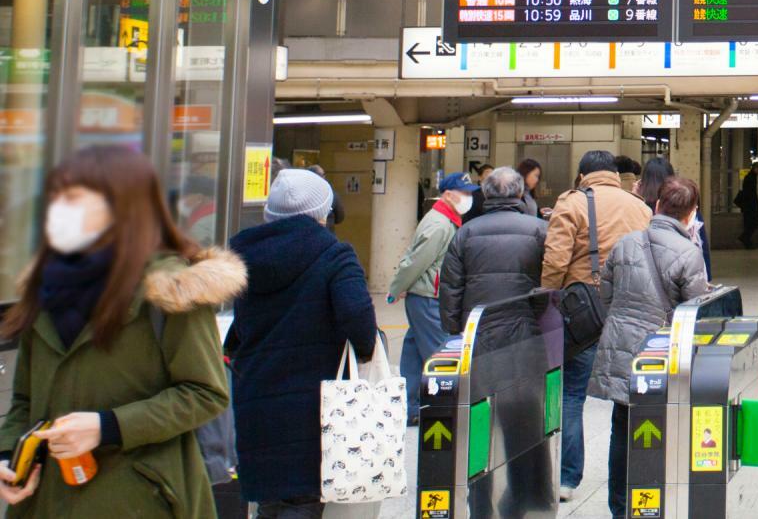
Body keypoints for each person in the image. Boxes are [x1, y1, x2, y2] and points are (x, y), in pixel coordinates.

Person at [0, 146, 244, 519]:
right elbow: (24, 397)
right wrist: (9, 457)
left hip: (140, 498)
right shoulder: (46, 285)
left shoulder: (170, 287)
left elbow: (205, 393)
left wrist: (108, 427)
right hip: (46, 501)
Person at [226, 169, 378, 519]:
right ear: (322, 213)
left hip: (257, 403)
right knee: (304, 502)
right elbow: (360, 325)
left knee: (270, 502)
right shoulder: (335, 256)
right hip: (314, 409)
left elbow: (239, 332)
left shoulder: (242, 259)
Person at [590, 178, 710, 519]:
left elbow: (607, 296)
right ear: (691, 215)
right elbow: (695, 312)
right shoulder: (689, 253)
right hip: (663, 355)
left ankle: (620, 506)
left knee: (622, 429)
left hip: (624, 350)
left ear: (657, 206)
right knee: (664, 427)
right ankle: (657, 500)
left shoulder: (625, 244)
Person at [542, 149, 652, 502]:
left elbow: (556, 259)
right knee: (627, 400)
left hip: (582, 313)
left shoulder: (571, 202)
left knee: (572, 395)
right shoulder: (639, 206)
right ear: (614, 174)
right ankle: (632, 481)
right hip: (628, 310)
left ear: (582, 176)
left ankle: (568, 479)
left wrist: (547, 299)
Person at [388, 171, 474, 423]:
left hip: (425, 295)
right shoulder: (439, 224)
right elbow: (416, 262)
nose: (469, 198)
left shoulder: (445, 220)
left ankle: (410, 408)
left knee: (414, 352)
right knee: (439, 354)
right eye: (465, 193)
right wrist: (395, 289)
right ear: (448, 194)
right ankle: (449, 411)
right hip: (427, 297)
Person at [440, 165, 547, 339]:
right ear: (519, 193)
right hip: (527, 324)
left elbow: (451, 284)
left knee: (482, 367)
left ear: (486, 193)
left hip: (478, 326)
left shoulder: (466, 231)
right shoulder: (541, 230)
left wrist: (453, 326)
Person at [734, 164, 758, 250]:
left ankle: (747, 241)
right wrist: (755, 206)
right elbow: (751, 194)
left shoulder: (751, 177)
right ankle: (744, 238)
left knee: (750, 224)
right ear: (755, 168)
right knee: (755, 222)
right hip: (749, 206)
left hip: (748, 206)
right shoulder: (750, 178)